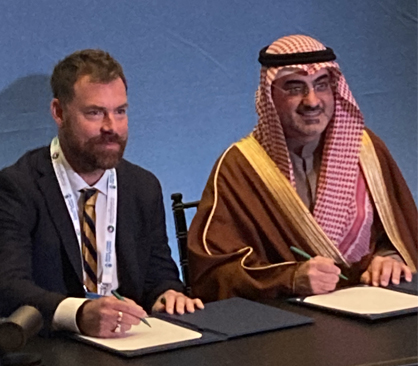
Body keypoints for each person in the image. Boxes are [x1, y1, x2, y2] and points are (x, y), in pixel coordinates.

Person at [188, 35, 417, 302]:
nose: (312, 101)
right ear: (270, 96)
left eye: (321, 85)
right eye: (295, 88)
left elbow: (400, 233)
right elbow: (215, 273)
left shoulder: (366, 150)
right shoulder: (241, 167)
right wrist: (290, 279)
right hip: (288, 315)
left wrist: (389, 258)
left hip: (373, 303)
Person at [0, 49, 203, 337]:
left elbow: (158, 274)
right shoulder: (18, 187)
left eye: (120, 111)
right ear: (59, 112)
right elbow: (8, 287)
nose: (111, 127)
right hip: (55, 346)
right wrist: (79, 314)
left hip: (130, 342)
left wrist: (168, 294)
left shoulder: (142, 186)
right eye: (95, 113)